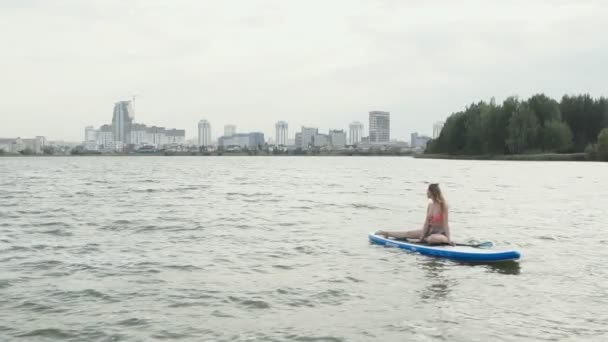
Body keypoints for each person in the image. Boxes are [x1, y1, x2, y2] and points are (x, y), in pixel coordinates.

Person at [375, 183, 452, 245]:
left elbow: (445, 224)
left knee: (433, 239)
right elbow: (426, 223)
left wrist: (448, 239)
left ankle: (431, 239)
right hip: (429, 232)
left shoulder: (443, 206)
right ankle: (386, 233)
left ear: (432, 192)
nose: (426, 193)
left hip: (441, 234)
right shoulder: (430, 206)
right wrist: (421, 238)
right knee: (408, 233)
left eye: (428, 191)